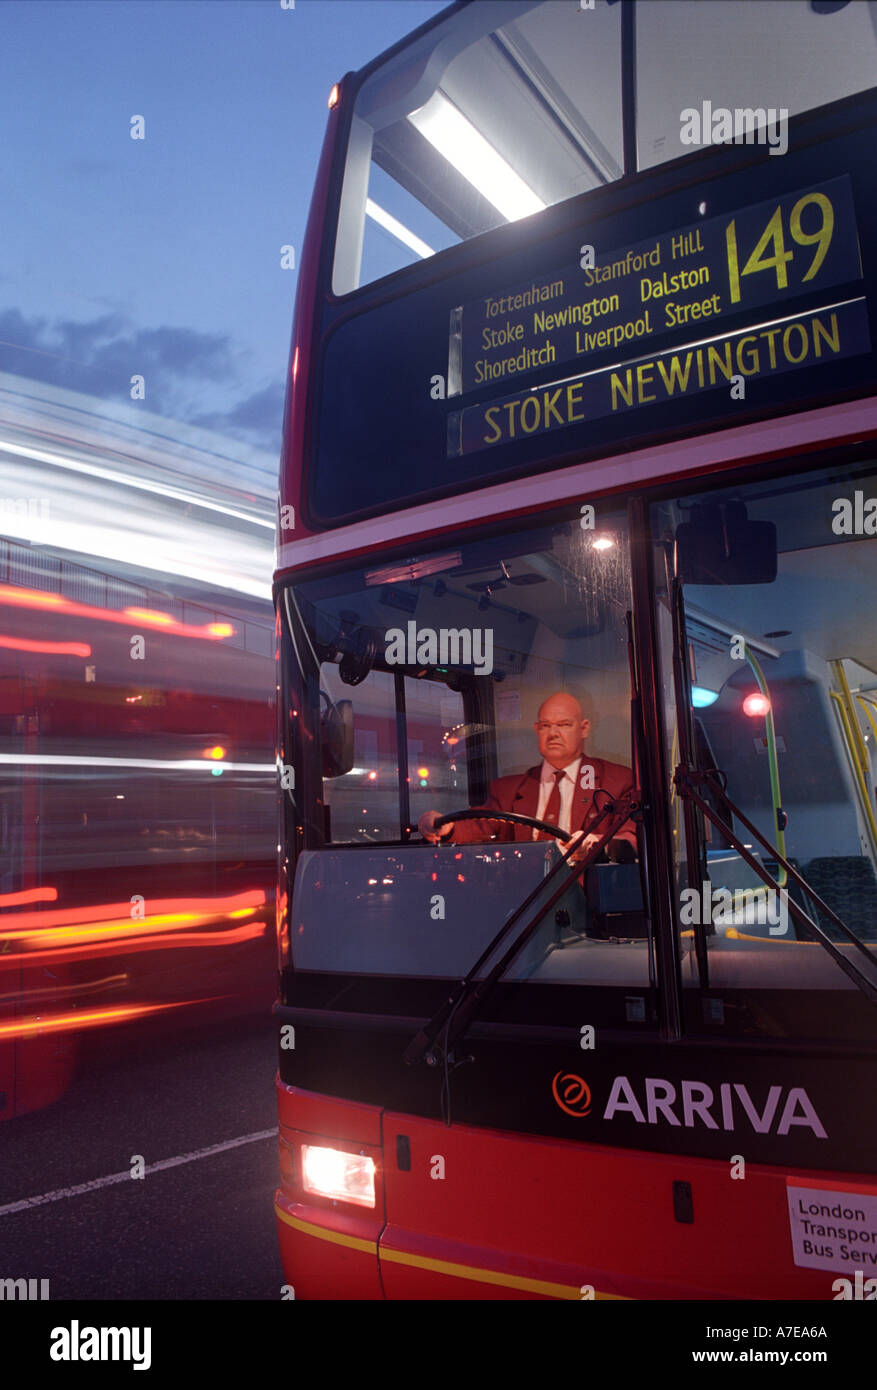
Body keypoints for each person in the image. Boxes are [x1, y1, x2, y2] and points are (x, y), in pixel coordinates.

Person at [418, 691, 637, 859]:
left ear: (584, 729)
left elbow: (632, 838)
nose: (554, 734)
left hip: (587, 900)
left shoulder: (616, 782)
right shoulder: (508, 790)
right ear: (536, 730)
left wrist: (597, 844)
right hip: (527, 901)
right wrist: (447, 828)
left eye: (564, 725)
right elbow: (480, 825)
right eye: (546, 726)